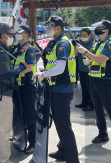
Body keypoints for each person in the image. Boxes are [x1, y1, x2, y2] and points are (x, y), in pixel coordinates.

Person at [76, 20, 111, 151]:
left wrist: (85, 52)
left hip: (105, 80)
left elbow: (101, 59)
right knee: (98, 109)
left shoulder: (110, 44)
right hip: (93, 79)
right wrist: (87, 60)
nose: (98, 29)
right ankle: (102, 134)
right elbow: (94, 60)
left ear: (106, 30)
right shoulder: (97, 43)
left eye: (100, 28)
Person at [35, 16, 79, 163]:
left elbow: (60, 68)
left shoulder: (63, 44)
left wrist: (43, 74)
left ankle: (73, 159)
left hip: (62, 89)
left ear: (58, 27)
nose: (47, 29)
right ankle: (63, 151)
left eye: (50, 26)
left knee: (64, 125)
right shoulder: (53, 43)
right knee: (60, 124)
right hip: (55, 88)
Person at [0, 23, 26, 163]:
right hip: (3, 93)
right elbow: (7, 73)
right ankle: (3, 159)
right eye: (10, 35)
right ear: (4, 36)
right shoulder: (0, 52)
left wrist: (17, 53)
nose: (12, 37)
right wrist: (20, 68)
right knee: (4, 129)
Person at [12, 26, 37, 154]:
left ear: (26, 35)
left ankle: (33, 143)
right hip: (17, 86)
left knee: (30, 115)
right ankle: (21, 137)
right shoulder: (18, 49)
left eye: (19, 32)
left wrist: (15, 72)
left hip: (27, 86)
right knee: (19, 113)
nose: (17, 34)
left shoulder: (30, 49)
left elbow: (30, 67)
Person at [75, 28, 94, 111]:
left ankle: (90, 104)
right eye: (81, 35)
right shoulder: (80, 43)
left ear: (89, 35)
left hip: (89, 69)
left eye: (85, 35)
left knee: (89, 88)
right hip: (81, 68)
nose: (83, 37)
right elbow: (76, 55)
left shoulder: (92, 44)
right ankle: (84, 102)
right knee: (83, 87)